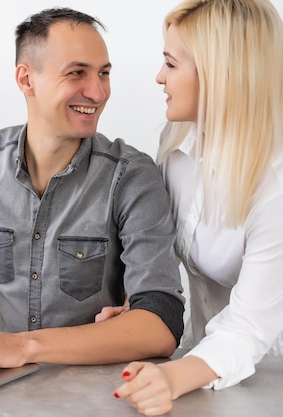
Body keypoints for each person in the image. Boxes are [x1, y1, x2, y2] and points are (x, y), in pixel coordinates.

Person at [0, 7, 185, 382]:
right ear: (27, 79)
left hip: (99, 391)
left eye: (104, 73)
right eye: (77, 73)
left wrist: (22, 345)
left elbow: (161, 322)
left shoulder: (132, 175)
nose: (98, 91)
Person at [113, 0, 283, 415]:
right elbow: (162, 256)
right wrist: (138, 308)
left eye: (170, 64)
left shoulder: (276, 182)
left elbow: (248, 329)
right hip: (208, 371)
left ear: (218, 74)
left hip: (268, 378)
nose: (159, 77)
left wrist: (172, 378)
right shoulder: (177, 151)